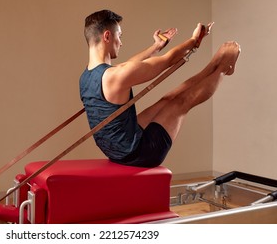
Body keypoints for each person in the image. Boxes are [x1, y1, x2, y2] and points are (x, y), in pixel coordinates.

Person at [79, 9, 240, 168]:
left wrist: (156, 46)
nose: (121, 42)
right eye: (119, 36)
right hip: (139, 153)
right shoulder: (115, 76)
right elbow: (168, 60)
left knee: (168, 99)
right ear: (107, 36)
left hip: (117, 148)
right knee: (182, 102)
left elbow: (127, 66)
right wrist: (195, 39)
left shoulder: (87, 76)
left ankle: (212, 65)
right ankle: (225, 67)